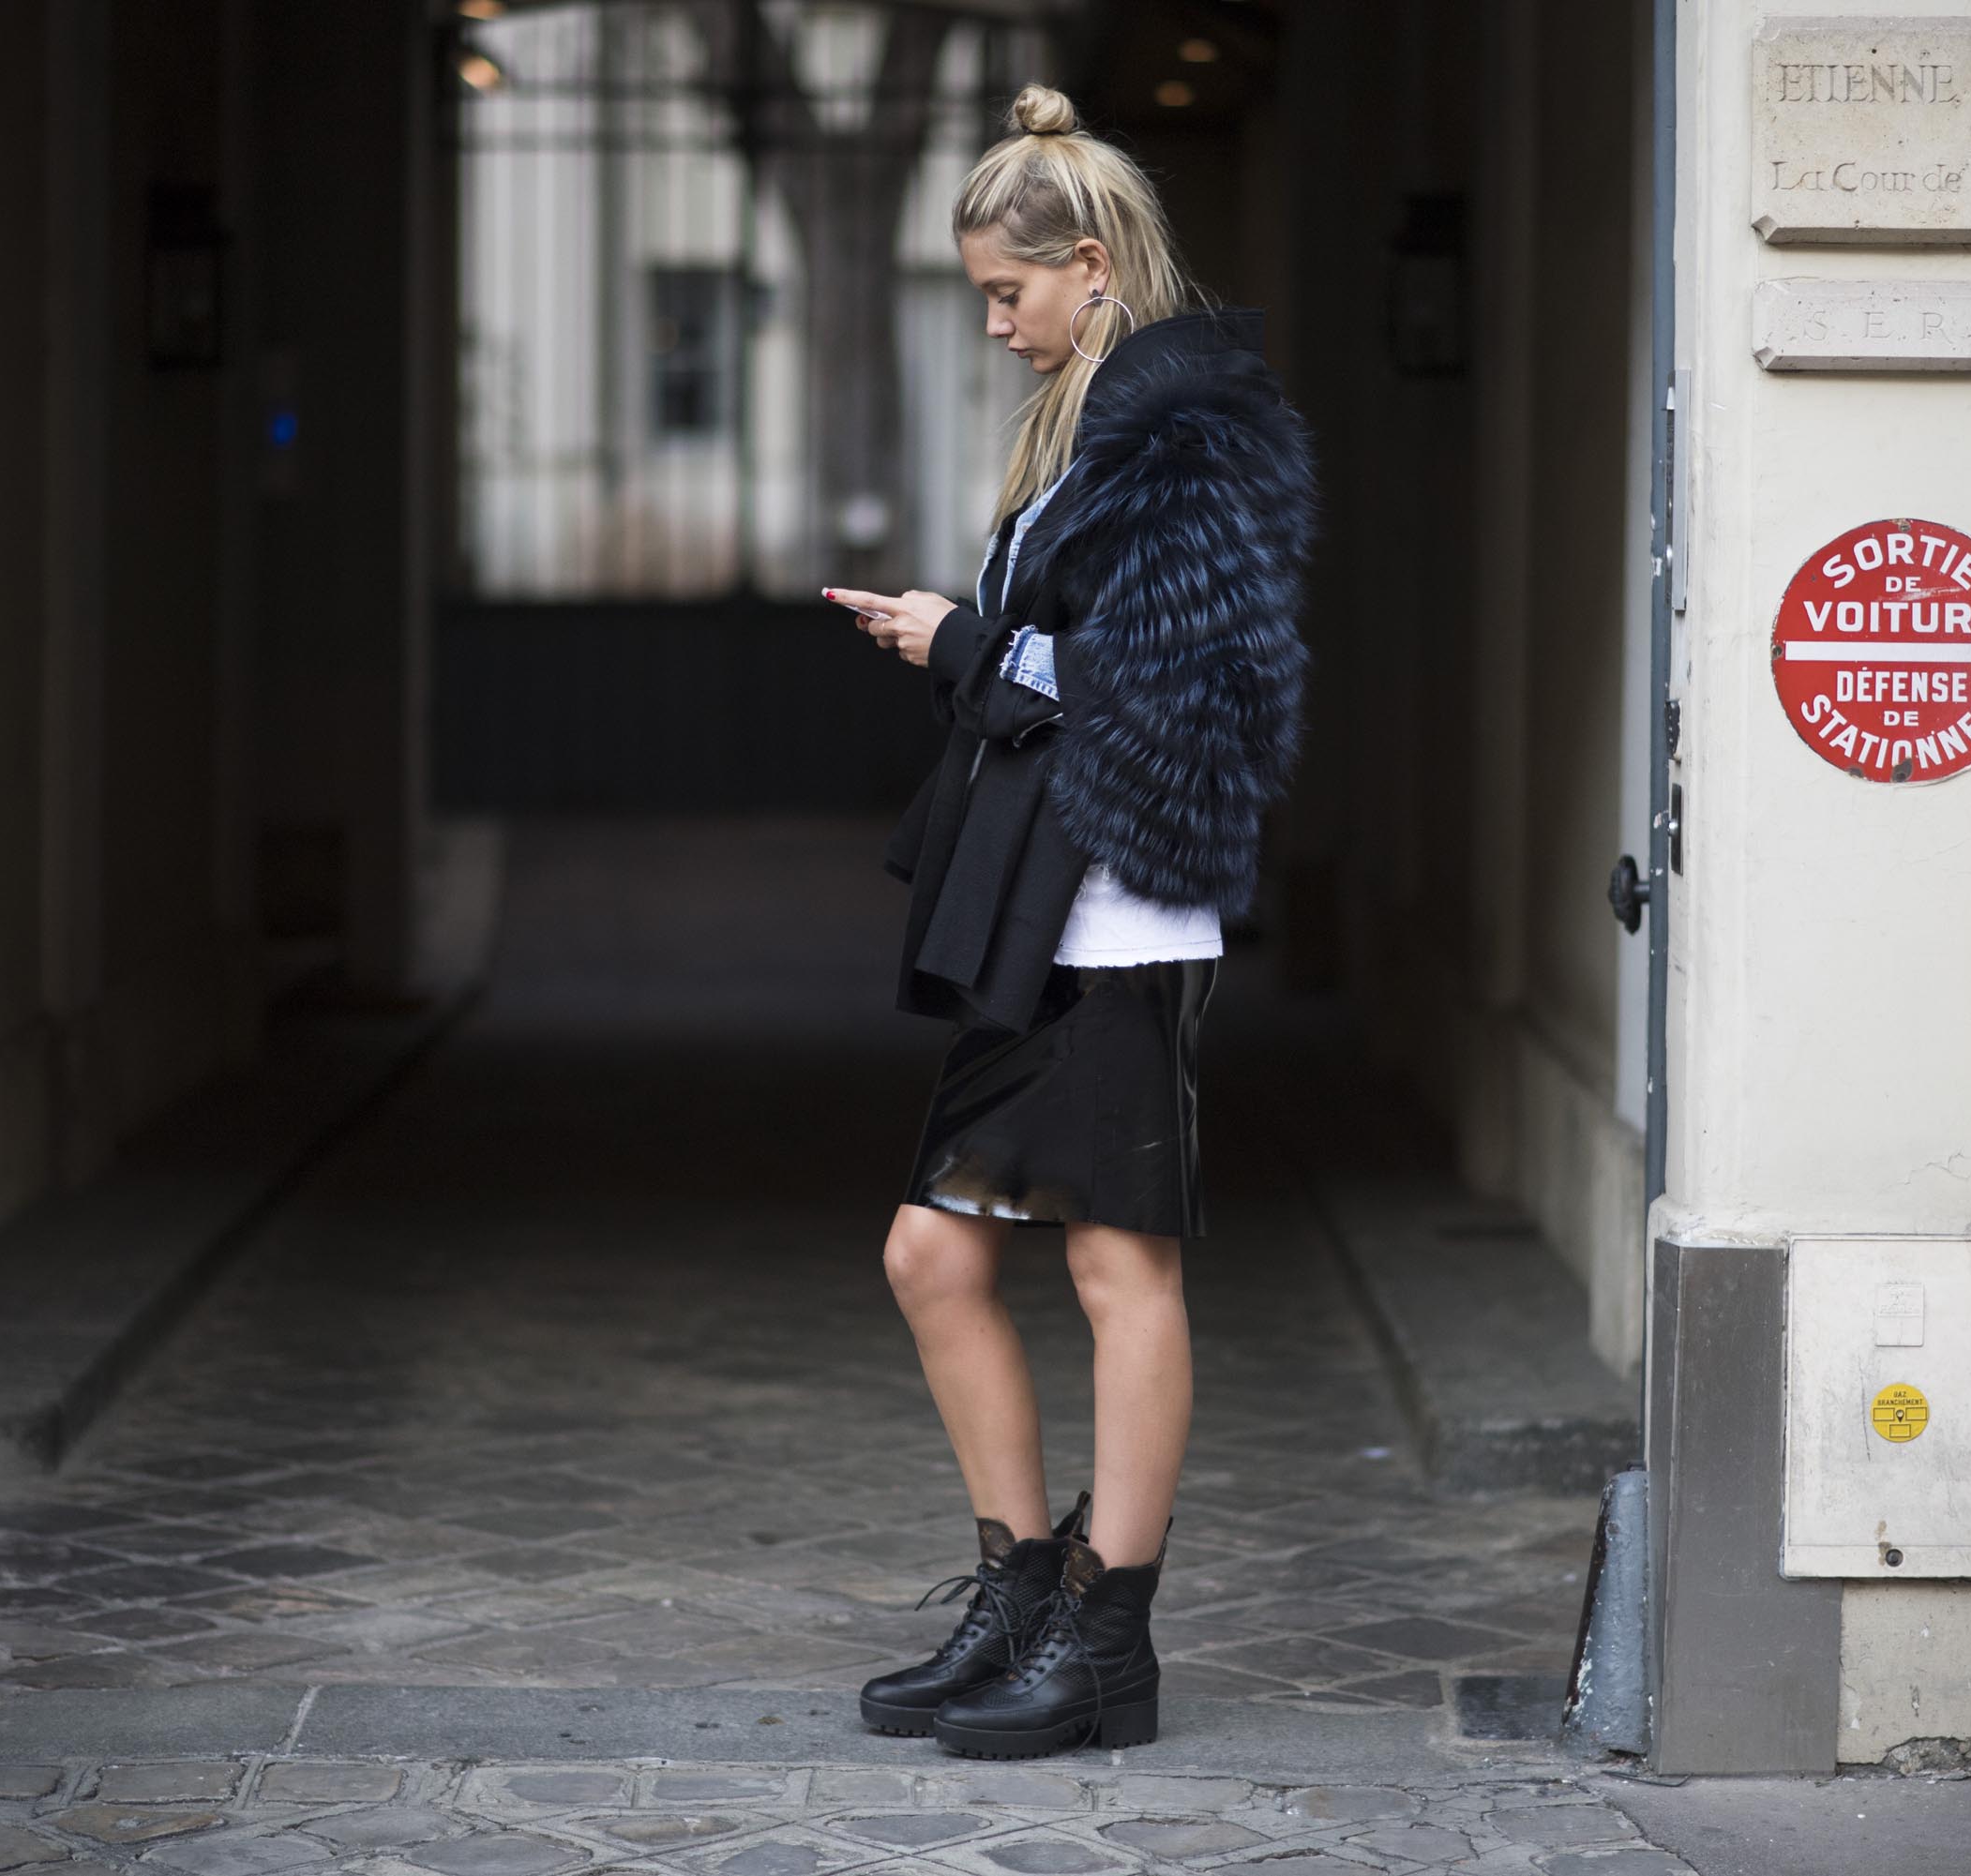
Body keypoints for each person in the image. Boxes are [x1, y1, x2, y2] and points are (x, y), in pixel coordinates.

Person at [821, 82, 1315, 1761]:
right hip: (1044, 898)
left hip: (1120, 900)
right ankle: (1021, 1591)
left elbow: (1177, 690)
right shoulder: (1094, 422)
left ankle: (1110, 1639)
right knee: (931, 1249)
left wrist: (960, 645)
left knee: (1119, 1269)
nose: (992, 319)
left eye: (1005, 290)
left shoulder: (1184, 429)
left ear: (1091, 264)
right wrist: (950, 638)